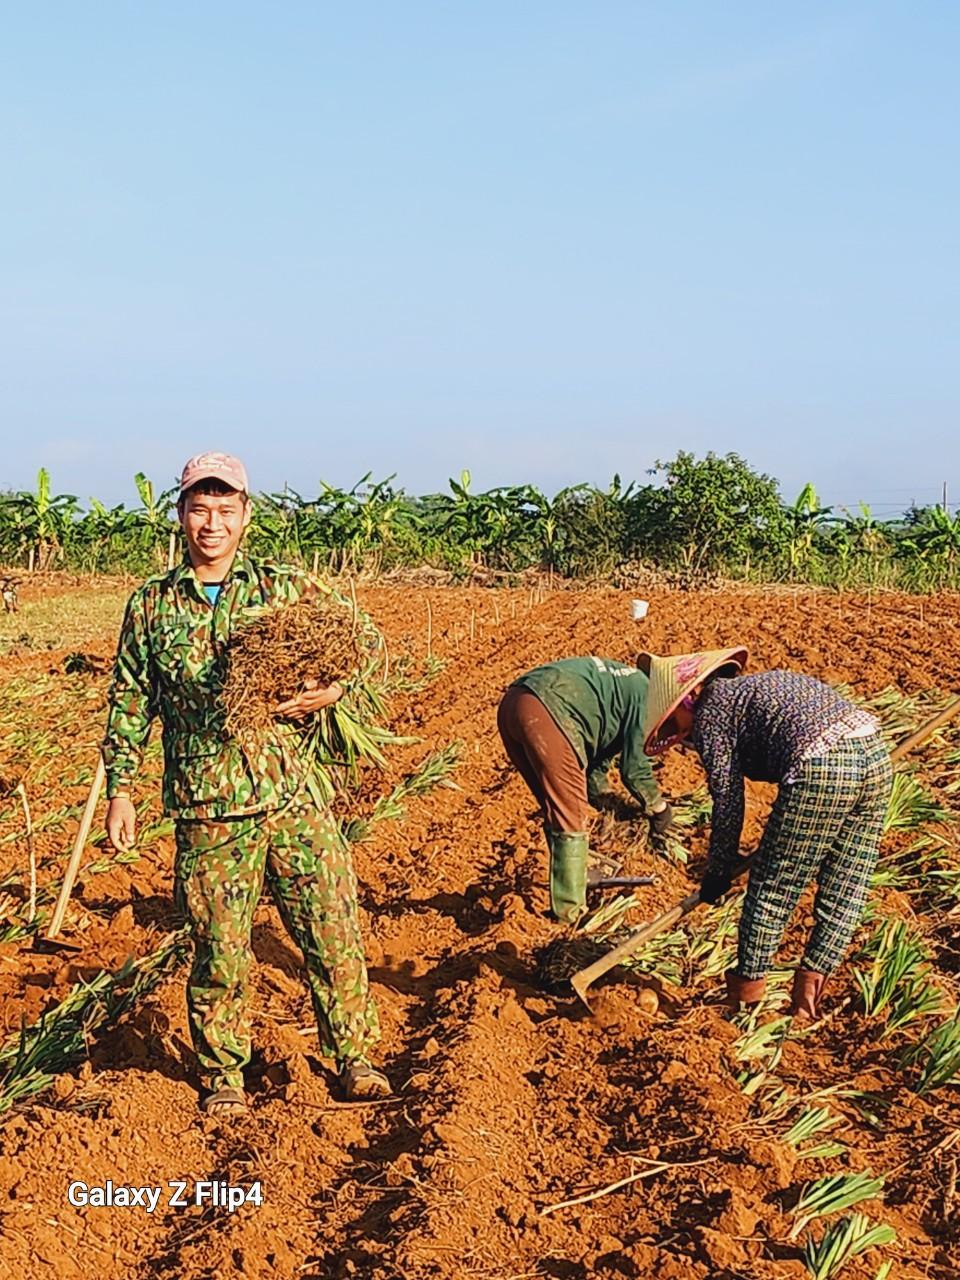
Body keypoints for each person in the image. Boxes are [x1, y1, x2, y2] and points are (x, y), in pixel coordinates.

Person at [103, 452, 388, 1116]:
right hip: (209, 808)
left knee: (331, 930)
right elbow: (128, 701)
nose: (212, 523)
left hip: (292, 796)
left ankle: (355, 1058)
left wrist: (333, 689)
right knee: (219, 948)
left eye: (225, 509)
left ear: (245, 515)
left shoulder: (285, 590)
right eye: (200, 509)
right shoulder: (151, 604)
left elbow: (361, 646)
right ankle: (224, 1075)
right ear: (181, 515)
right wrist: (121, 788)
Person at [639, 647, 892, 1023]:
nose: (674, 730)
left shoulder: (712, 714)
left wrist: (718, 871)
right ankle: (805, 1007)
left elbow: (727, 801)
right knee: (846, 885)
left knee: (773, 887)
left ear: (688, 698)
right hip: (874, 754)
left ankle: (745, 1006)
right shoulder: (747, 690)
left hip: (822, 768)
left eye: (671, 718)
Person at [497, 656, 673, 923]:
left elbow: (597, 764)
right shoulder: (647, 699)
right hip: (549, 709)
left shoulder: (626, 686)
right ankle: (569, 913)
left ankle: (574, 877)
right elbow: (634, 770)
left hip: (515, 702)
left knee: (555, 807)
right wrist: (658, 807)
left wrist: (607, 802)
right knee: (571, 815)